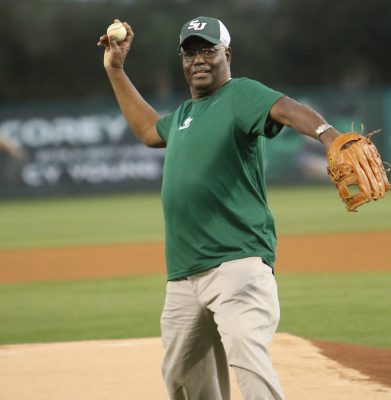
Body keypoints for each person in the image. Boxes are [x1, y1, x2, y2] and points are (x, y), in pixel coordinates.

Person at [98, 16, 340, 400]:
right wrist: (115, 70)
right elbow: (148, 130)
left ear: (227, 54)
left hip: (237, 264)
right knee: (181, 375)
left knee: (247, 356)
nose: (198, 59)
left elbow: (288, 109)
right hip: (183, 273)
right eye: (190, 52)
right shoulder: (182, 117)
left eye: (207, 50)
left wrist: (329, 135)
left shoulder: (239, 95)